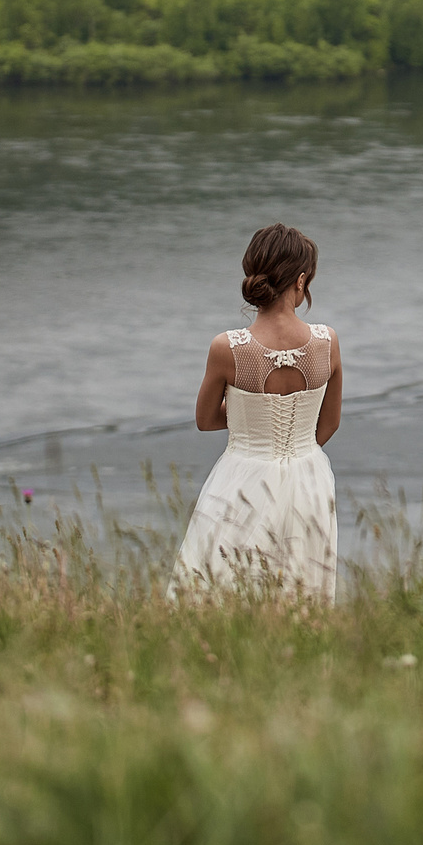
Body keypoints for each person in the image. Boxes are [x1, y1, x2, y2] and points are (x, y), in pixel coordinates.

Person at [173, 223, 343, 601]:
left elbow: (204, 420)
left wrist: (254, 428)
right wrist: (296, 452)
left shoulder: (227, 348)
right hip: (310, 479)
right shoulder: (326, 342)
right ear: (301, 281)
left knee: (224, 588)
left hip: (243, 476)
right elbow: (329, 422)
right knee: (303, 593)